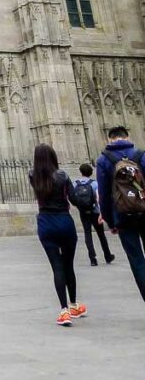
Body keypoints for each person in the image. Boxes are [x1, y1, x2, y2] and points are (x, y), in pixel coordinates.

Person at [29, 143, 86, 327]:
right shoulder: (62, 176)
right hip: (64, 222)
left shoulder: (33, 176)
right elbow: (74, 199)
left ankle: (63, 311)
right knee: (68, 265)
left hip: (46, 224)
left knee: (57, 267)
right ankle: (74, 305)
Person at [96, 125, 145, 302]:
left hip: (123, 215)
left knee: (137, 261)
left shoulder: (104, 160)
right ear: (128, 136)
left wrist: (110, 221)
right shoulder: (140, 154)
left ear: (109, 139)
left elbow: (103, 194)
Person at [73, 162, 114, 267]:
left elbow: (73, 198)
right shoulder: (94, 183)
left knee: (87, 234)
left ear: (81, 172)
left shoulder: (75, 184)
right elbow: (99, 199)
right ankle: (107, 255)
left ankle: (93, 259)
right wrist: (102, 212)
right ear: (91, 172)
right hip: (95, 212)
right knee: (101, 235)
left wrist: (79, 207)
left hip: (83, 212)